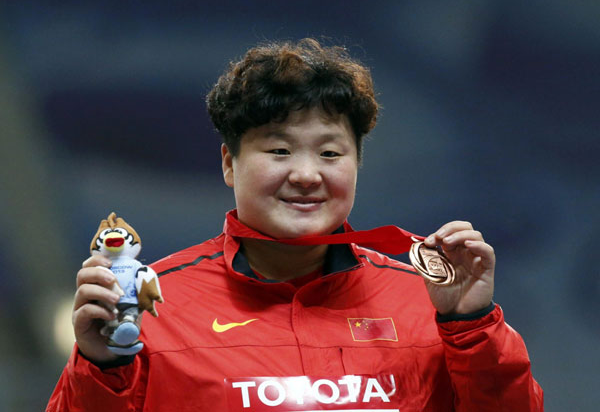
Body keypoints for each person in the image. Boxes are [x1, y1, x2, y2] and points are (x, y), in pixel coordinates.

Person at [47, 38, 543, 411]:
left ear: (356, 165)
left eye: (330, 152)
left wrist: (468, 328)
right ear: (228, 163)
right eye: (279, 150)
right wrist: (101, 366)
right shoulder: (150, 309)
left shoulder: (430, 304)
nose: (306, 175)